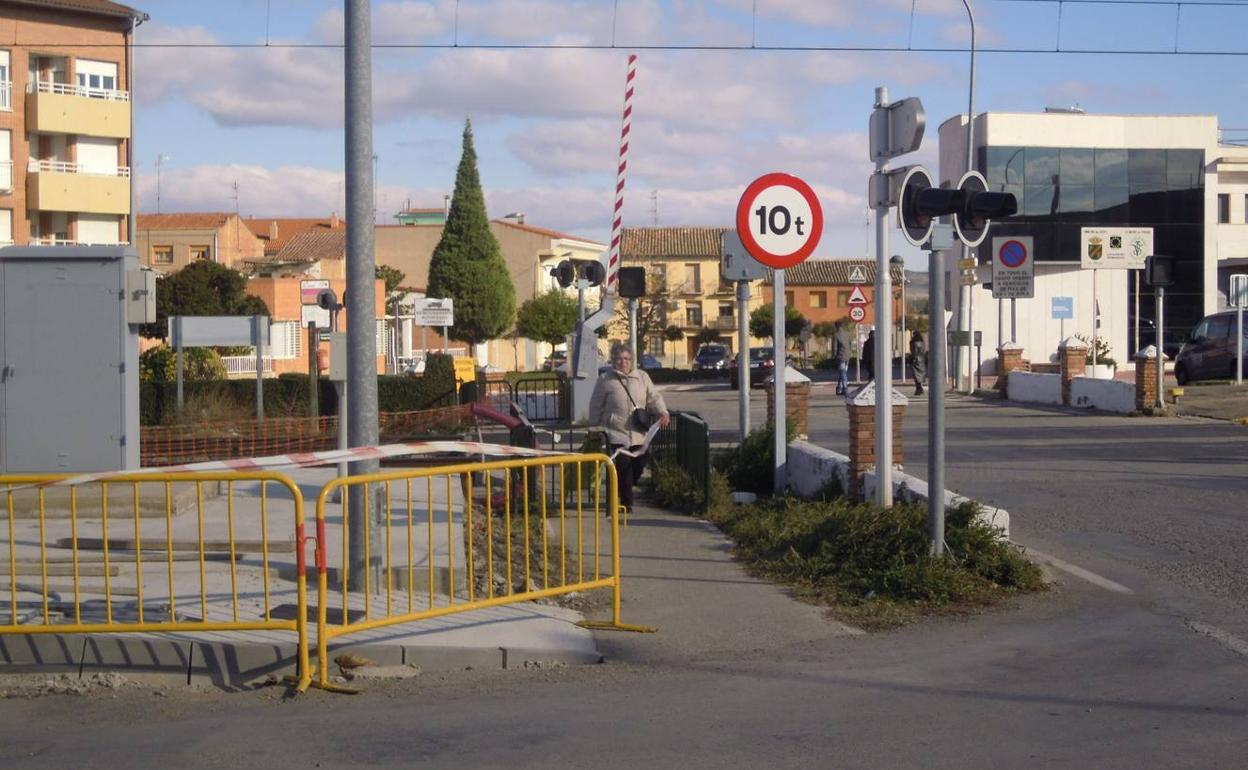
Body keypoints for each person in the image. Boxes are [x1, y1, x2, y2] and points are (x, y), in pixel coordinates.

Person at [589, 341, 670, 514]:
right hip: (615, 431)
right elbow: (596, 405)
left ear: (632, 360)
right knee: (623, 465)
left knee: (640, 462)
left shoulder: (642, 377)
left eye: (626, 358)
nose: (623, 362)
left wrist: (663, 412)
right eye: (619, 359)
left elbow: (653, 397)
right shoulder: (605, 379)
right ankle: (626, 503)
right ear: (613, 360)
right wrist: (594, 428)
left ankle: (623, 488)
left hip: (639, 432)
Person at [833, 325, 851, 395]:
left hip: (841, 356)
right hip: (848, 356)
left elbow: (834, 348)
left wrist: (834, 356)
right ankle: (839, 388)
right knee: (843, 372)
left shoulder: (836, 335)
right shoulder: (848, 334)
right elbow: (850, 345)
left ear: (836, 326)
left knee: (843, 373)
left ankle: (845, 388)